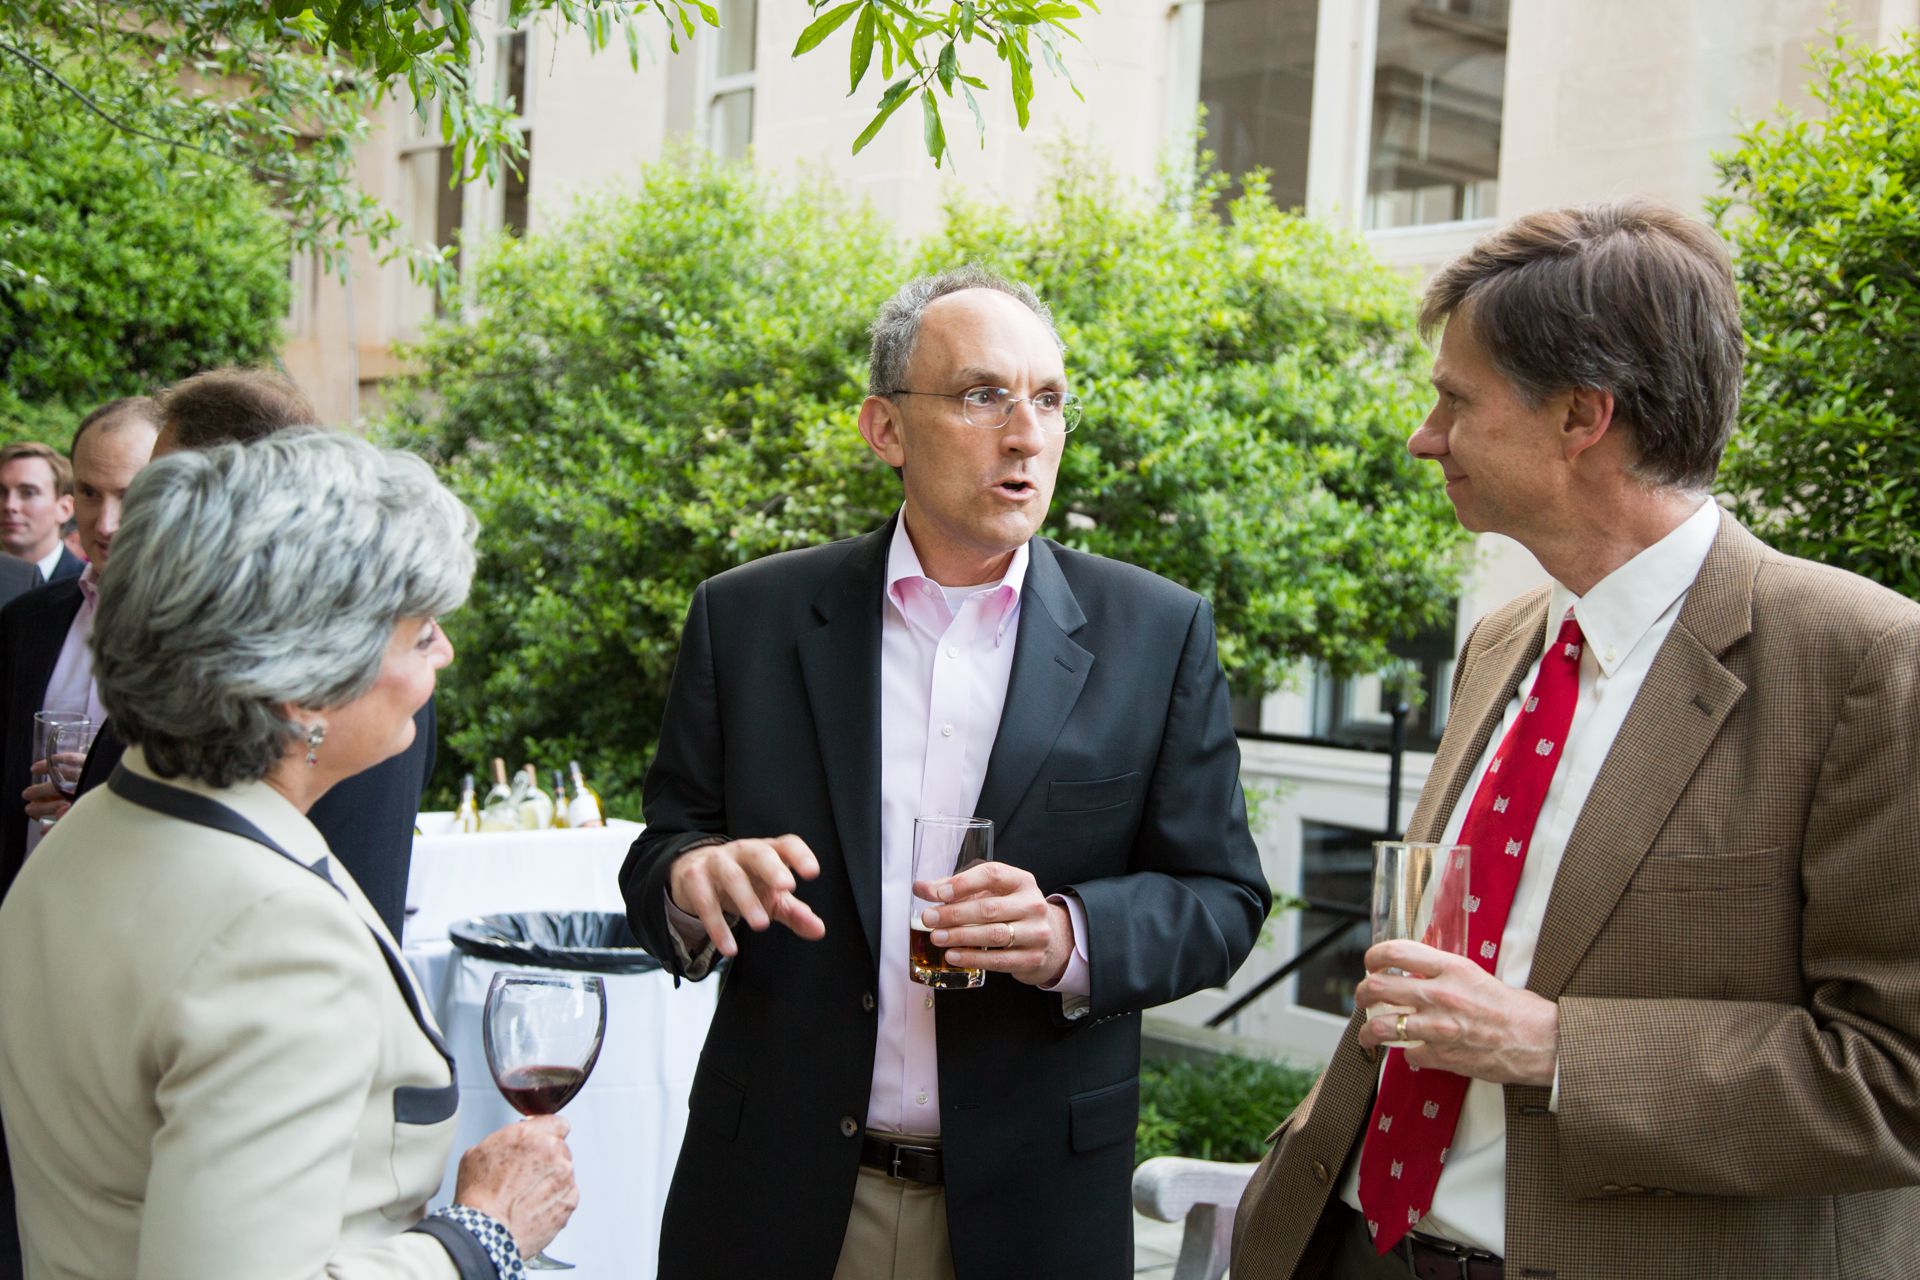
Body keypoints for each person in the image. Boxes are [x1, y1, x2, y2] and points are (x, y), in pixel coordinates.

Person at [1232, 201, 1920, 1280]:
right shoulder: (1503, 640)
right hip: (1360, 1241)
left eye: (1455, 400)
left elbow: (1897, 1075)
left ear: (1582, 416)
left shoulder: (1864, 660)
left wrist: (1554, 1045)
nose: (1424, 436)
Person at [622, 266, 1272, 1280]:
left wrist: (1069, 933)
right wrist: (689, 879)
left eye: (1048, 399)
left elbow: (1225, 899)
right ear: (885, 428)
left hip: (1030, 1212)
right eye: (982, 396)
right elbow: (665, 846)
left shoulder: (1157, 632)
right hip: (772, 1197)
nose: (1026, 434)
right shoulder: (748, 619)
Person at [0, 431, 578, 1278]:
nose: (444, 655)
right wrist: (482, 1236)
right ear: (304, 683)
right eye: (420, 636)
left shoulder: (96, 827)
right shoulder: (274, 940)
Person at [70, 367, 435, 938]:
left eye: (163, 486)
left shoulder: (358, 678)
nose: (139, 515)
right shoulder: (182, 638)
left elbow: (351, 897)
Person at [0, 398, 157, 893]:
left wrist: (100, 788)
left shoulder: (210, 636)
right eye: (89, 493)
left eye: (129, 495)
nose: (106, 523)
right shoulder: (27, 620)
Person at [0, 444, 81, 585]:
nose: (9, 505)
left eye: (28, 493)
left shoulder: (90, 588)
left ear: (65, 508)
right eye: (1, 492)